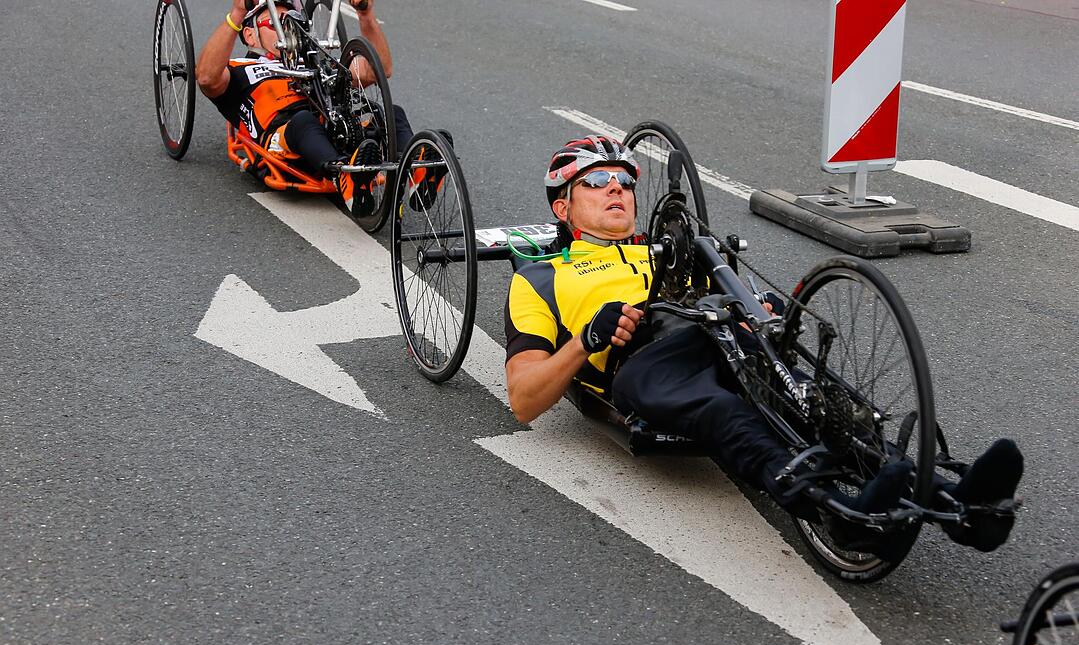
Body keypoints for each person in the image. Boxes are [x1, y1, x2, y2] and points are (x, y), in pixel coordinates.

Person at [504, 135, 1023, 552]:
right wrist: (583, 341)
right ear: (563, 207)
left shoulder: (677, 249)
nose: (616, 188)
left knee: (813, 400)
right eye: (595, 181)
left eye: (624, 180)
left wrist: (759, 309)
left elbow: (730, 297)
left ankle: (962, 506)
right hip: (642, 360)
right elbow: (524, 398)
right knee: (727, 413)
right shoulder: (542, 277)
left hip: (719, 331)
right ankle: (837, 516)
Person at [195, 0, 411, 215]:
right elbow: (206, 78)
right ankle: (344, 176)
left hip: (332, 127)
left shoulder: (315, 65)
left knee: (390, 113)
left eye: (291, 23)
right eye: (275, 23)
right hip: (284, 136)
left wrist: (366, 15)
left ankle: (420, 166)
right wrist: (237, 13)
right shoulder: (239, 69)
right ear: (250, 34)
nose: (285, 30)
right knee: (303, 121)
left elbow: (379, 70)